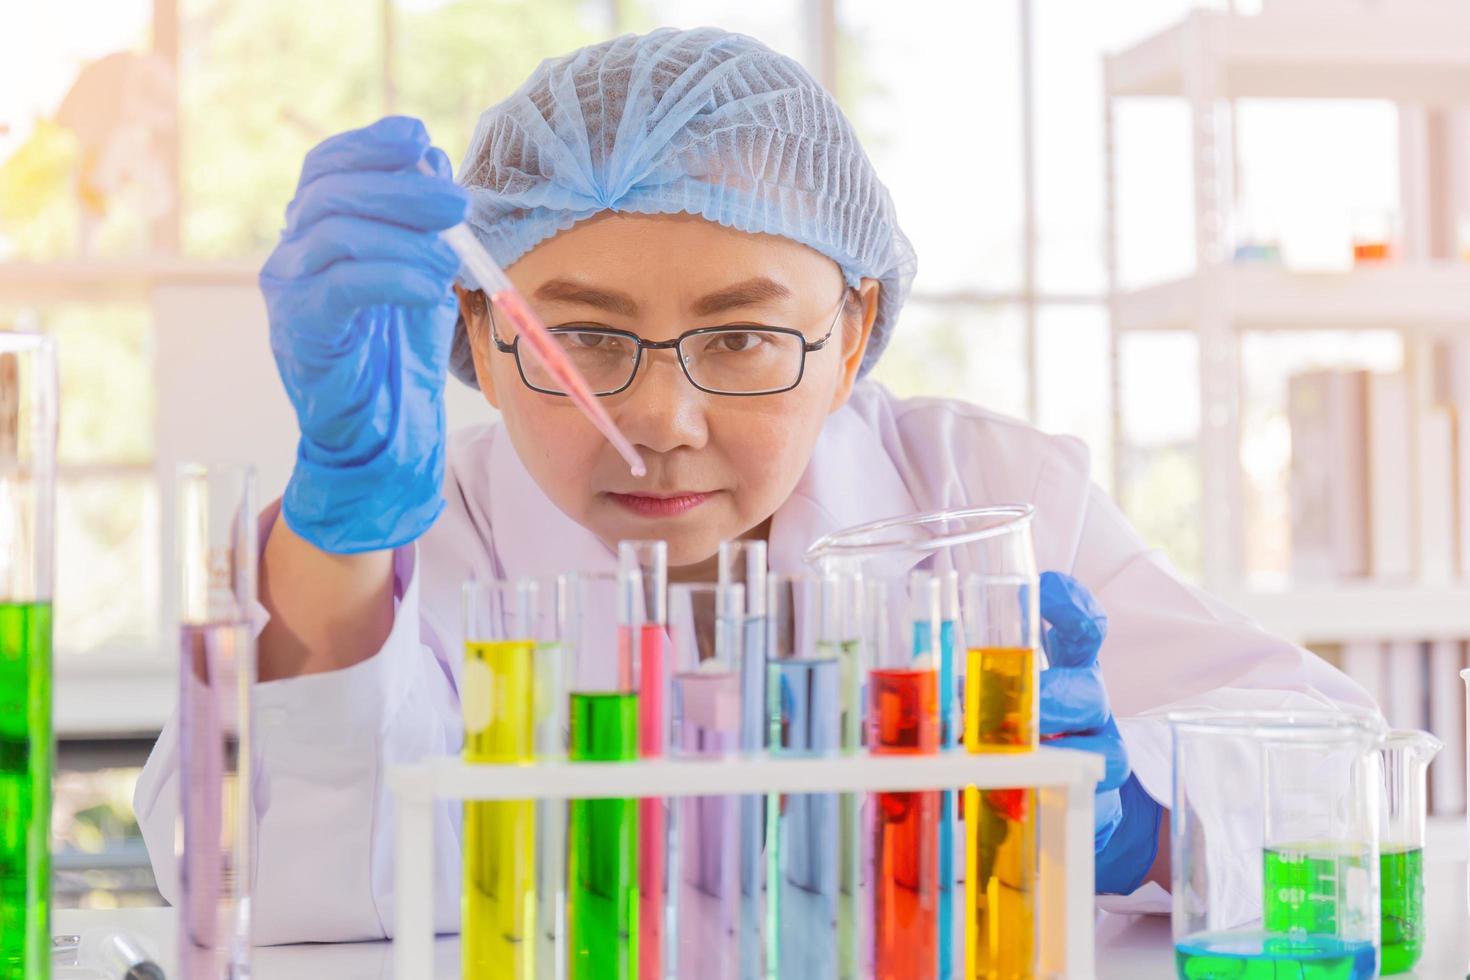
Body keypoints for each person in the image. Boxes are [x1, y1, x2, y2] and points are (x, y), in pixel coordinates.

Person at [133, 27, 1371, 945]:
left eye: (740, 336)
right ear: (481, 331)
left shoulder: (989, 490)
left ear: (853, 327)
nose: (661, 420)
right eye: (584, 339)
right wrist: (340, 531)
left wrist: (1146, 811)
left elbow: (1343, 777)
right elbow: (240, 878)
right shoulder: (431, 532)